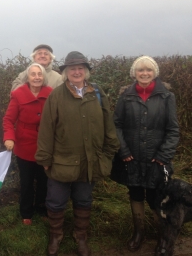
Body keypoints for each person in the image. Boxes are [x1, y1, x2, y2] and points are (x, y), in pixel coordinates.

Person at [35, 51, 119, 256]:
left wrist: (109, 152)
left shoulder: (97, 93)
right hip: (61, 161)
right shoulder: (56, 95)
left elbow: (109, 125)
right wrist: (45, 158)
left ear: (86, 71)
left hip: (89, 161)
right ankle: (56, 235)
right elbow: (46, 129)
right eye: (72, 68)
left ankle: (81, 235)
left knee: (83, 200)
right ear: (65, 72)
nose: (77, 71)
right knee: (55, 201)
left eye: (81, 68)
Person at [111, 56, 179, 253]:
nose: (144, 73)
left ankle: (163, 236)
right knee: (136, 193)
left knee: (156, 196)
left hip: (156, 158)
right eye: (140, 70)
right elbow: (117, 125)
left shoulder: (167, 97)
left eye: (148, 70)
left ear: (154, 73)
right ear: (134, 73)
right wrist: (123, 150)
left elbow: (173, 129)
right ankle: (138, 232)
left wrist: (164, 154)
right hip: (131, 157)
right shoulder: (125, 96)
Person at [3, 63, 53, 225]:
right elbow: (9, 120)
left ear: (44, 77)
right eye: (33, 74)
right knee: (26, 182)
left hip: (45, 145)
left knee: (44, 181)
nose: (37, 77)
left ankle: (41, 207)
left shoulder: (51, 93)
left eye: (40, 74)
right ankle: (26, 212)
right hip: (25, 146)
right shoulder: (18, 94)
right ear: (28, 77)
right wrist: (9, 137)